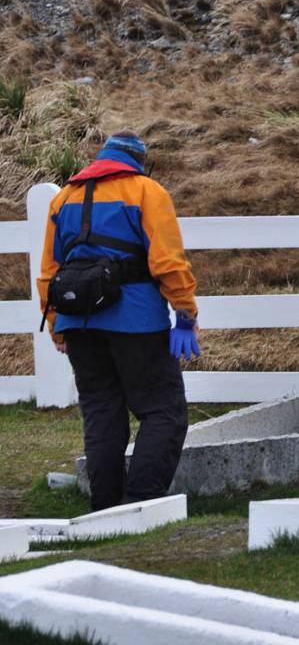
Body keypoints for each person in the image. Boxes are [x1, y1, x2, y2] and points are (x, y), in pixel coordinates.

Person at [37, 131, 199, 511]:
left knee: (102, 415)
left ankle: (106, 509)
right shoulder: (146, 191)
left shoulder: (65, 197)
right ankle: (140, 505)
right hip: (138, 323)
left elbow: (49, 271)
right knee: (163, 411)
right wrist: (185, 314)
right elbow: (168, 263)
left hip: (80, 325)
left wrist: (58, 323)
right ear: (137, 161)